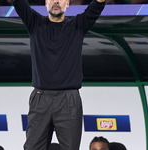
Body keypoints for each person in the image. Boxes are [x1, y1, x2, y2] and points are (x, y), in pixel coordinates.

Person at [11, 0, 105, 149]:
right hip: (40, 98)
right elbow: (18, 3)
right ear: (46, 3)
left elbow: (96, 8)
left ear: (67, 4)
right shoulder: (35, 23)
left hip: (69, 99)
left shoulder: (77, 25)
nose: (56, 1)